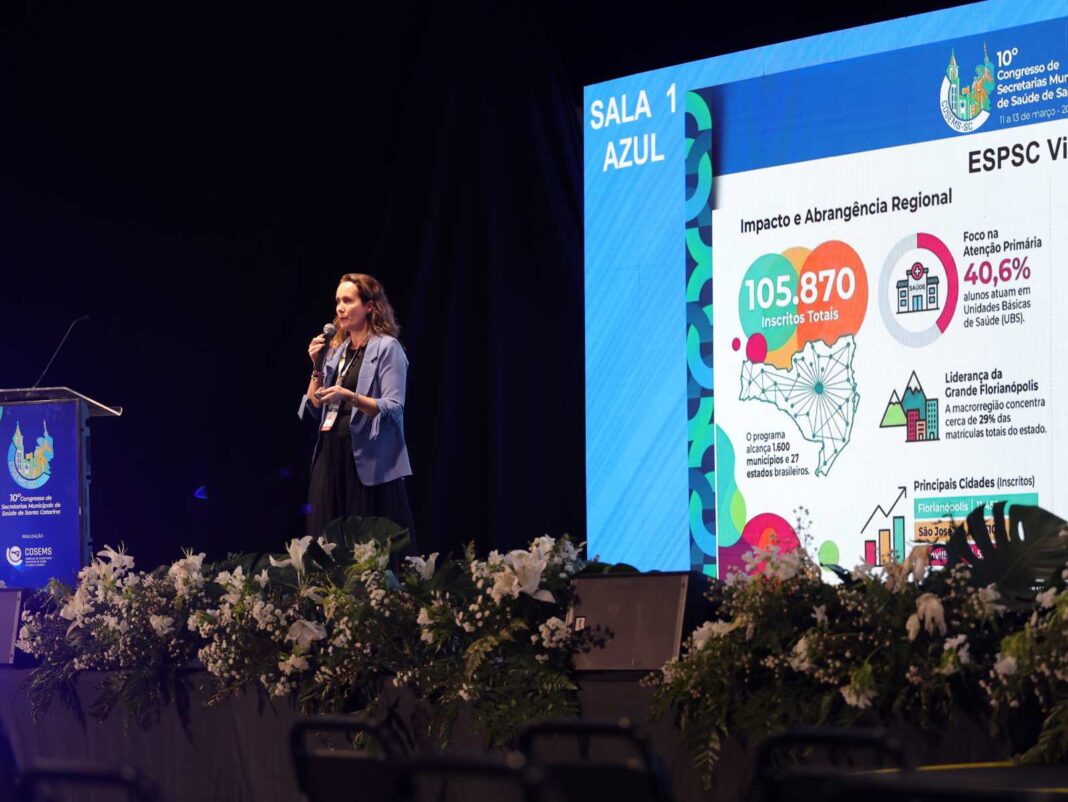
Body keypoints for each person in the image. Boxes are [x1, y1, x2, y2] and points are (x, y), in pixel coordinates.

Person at [300, 273, 415, 552]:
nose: (340, 308)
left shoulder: (388, 348)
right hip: (331, 454)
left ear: (369, 307)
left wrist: (349, 396)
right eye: (338, 301)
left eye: (348, 301)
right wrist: (317, 366)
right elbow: (314, 404)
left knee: (365, 545)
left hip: (366, 455)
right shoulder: (336, 351)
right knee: (325, 538)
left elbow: (393, 407)